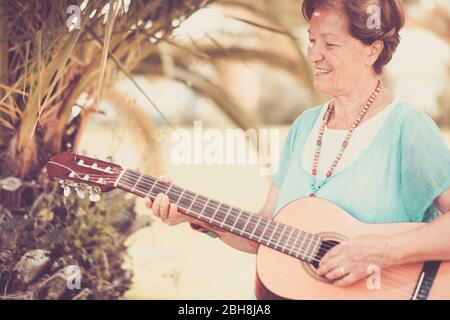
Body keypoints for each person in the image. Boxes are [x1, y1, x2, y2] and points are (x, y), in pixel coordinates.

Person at [145, 0, 450, 291]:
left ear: (373, 51)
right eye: (312, 40)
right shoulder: (305, 127)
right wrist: (195, 216)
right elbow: (263, 234)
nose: (314, 55)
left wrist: (381, 251)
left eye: (329, 44)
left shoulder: (407, 128)